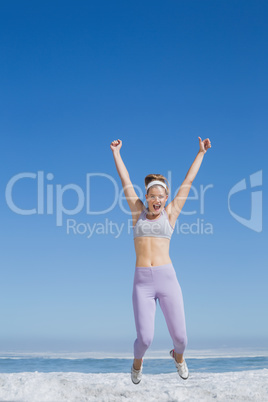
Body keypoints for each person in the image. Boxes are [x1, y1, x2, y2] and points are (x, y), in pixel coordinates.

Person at [110, 137, 212, 384]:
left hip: (167, 279)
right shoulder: (138, 213)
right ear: (146, 196)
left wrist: (200, 153)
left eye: (161, 196)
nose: (157, 200)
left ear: (166, 198)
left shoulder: (170, 214)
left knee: (181, 339)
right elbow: (125, 180)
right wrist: (116, 153)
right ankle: (137, 362)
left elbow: (188, 181)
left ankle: (177, 357)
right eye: (152, 196)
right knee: (144, 340)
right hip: (142, 281)